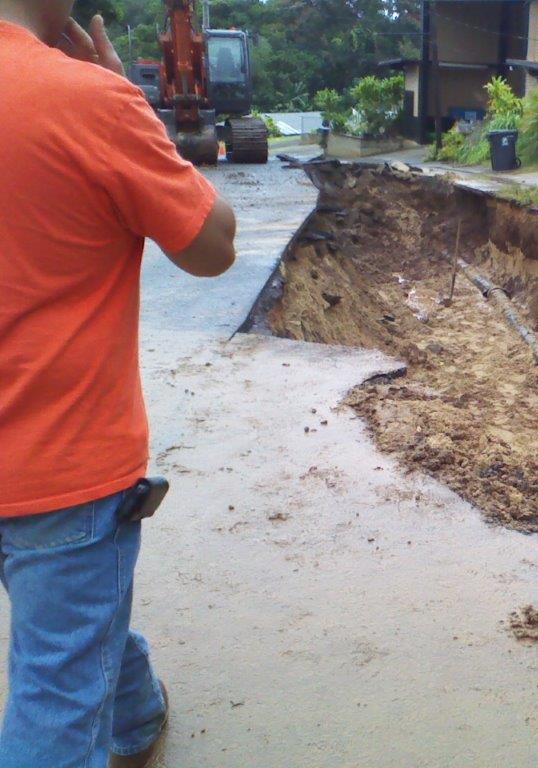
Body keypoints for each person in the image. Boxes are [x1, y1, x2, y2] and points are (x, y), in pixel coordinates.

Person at [0, 2, 237, 766]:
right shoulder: (88, 100)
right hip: (55, 464)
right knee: (56, 687)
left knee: (74, 612)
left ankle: (137, 718)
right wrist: (134, 119)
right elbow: (213, 247)